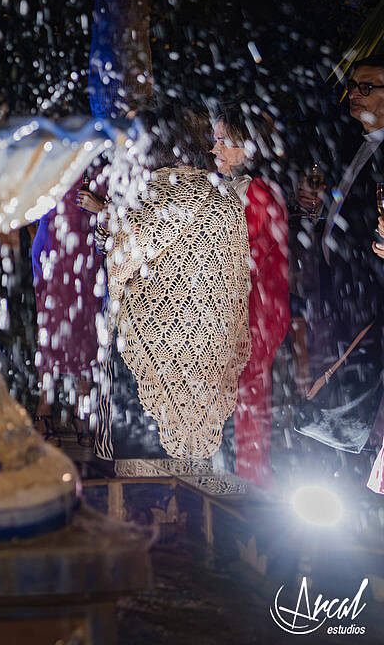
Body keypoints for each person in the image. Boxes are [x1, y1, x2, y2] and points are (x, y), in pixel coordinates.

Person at [96, 105, 251, 467]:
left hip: (151, 352)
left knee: (145, 485)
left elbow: (119, 267)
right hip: (210, 355)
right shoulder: (227, 200)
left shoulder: (148, 197)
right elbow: (237, 282)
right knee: (205, 493)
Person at [302, 56, 384, 491]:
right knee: (334, 373)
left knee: (361, 380)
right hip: (339, 284)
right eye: (353, 86)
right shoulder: (351, 145)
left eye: (367, 88)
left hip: (371, 288)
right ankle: (341, 465)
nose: (354, 94)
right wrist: (319, 213)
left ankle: (362, 473)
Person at [211, 103, 290, 488]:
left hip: (254, 319)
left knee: (249, 404)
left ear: (248, 147)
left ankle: (252, 487)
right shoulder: (237, 189)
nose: (215, 149)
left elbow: (241, 262)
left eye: (222, 141)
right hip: (241, 316)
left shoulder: (257, 194)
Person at [30, 170, 107, 446]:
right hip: (53, 242)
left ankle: (81, 408)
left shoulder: (104, 149)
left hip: (89, 246)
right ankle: (44, 409)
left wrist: (102, 206)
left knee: (86, 328)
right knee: (50, 327)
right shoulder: (57, 147)